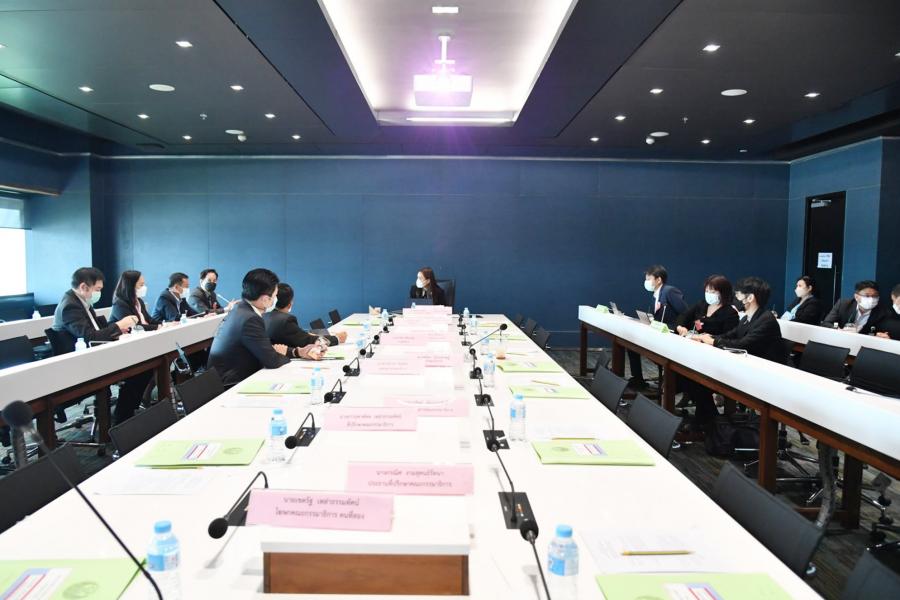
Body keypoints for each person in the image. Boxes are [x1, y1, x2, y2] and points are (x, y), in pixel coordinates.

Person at [53, 267, 153, 425]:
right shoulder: (70, 306)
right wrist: (119, 325)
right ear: (84, 287)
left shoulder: (82, 302)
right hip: (80, 362)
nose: (99, 293)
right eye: (98, 289)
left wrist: (118, 331)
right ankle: (121, 417)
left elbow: (96, 331)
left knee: (144, 366)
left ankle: (124, 413)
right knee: (139, 370)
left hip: (96, 353)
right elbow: (89, 337)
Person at [688, 277, 787, 427]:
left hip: (764, 374)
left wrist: (713, 342)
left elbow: (743, 344)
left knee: (701, 382)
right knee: (696, 380)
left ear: (750, 298)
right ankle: (710, 423)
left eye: (739, 294)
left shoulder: (766, 320)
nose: (736, 298)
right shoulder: (747, 317)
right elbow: (731, 335)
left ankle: (710, 424)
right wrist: (707, 337)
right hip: (747, 366)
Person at [207, 268, 320, 387]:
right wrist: (281, 354)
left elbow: (266, 349)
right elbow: (272, 361)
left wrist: (297, 352)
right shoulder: (250, 319)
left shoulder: (240, 309)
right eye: (275, 296)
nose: (276, 300)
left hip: (226, 380)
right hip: (232, 385)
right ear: (265, 299)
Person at [628, 265, 688, 388]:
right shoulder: (656, 294)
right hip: (658, 333)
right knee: (632, 344)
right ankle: (637, 379)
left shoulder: (669, 291)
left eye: (648, 279)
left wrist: (677, 327)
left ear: (658, 279)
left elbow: (685, 312)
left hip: (671, 334)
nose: (646, 282)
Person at [263, 283, 348, 348]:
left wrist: (306, 335)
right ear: (290, 304)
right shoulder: (286, 320)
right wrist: (337, 338)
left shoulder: (265, 316)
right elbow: (308, 341)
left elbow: (298, 336)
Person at [675, 275, 740, 337]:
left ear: (723, 293)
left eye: (713, 292)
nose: (709, 294)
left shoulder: (730, 313)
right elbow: (684, 316)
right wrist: (680, 327)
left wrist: (709, 338)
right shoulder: (702, 304)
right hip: (691, 339)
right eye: (707, 291)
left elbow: (728, 336)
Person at [822, 280, 890, 333]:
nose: (871, 299)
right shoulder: (843, 305)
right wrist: (839, 330)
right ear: (856, 297)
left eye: (875, 296)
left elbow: (884, 332)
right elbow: (826, 323)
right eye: (867, 296)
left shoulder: (883, 313)